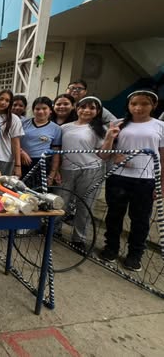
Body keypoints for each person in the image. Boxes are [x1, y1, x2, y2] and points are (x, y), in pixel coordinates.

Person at [99, 90, 164, 271]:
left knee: (140, 219)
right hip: (118, 178)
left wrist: (161, 184)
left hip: (146, 180)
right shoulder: (118, 124)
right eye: (134, 104)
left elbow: (163, 158)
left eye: (144, 104)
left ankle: (135, 255)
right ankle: (111, 248)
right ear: (128, 105)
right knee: (114, 215)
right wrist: (113, 149)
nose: (138, 108)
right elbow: (104, 154)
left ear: (153, 105)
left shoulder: (160, 126)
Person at [59, 96, 106, 249]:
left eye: (92, 108)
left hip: (90, 171)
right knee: (61, 202)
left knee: (85, 205)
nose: (87, 110)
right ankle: (54, 229)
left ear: (98, 111)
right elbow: (58, 150)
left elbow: (103, 154)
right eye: (83, 107)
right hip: (66, 170)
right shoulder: (64, 128)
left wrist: (111, 137)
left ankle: (79, 238)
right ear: (77, 108)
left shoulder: (100, 130)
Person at [20, 96, 62, 187]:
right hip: (21, 162)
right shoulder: (23, 123)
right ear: (33, 110)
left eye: (44, 108)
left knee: (37, 192)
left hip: (41, 165)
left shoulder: (56, 129)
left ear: (50, 110)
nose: (41, 111)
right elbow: (13, 142)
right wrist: (21, 152)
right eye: (37, 109)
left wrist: (52, 174)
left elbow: (56, 153)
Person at [0, 89, 24, 176]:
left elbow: (16, 143)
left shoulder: (14, 119)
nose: (3, 102)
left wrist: (18, 165)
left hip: (5, 160)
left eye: (7, 100)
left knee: (2, 184)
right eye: (1, 99)